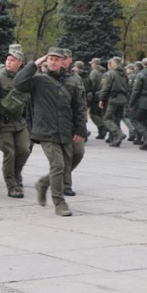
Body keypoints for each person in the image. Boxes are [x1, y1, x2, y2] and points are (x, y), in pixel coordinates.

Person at [14, 48, 86, 217]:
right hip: (46, 131)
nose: (53, 62)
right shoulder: (38, 80)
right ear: (46, 61)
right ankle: (59, 203)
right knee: (58, 165)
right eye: (50, 59)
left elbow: (78, 107)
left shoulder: (71, 81)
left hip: (66, 130)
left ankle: (43, 183)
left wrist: (80, 128)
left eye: (57, 59)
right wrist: (34, 64)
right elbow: (18, 83)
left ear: (63, 62)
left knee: (66, 166)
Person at [0, 46, 31, 198]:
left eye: (12, 60)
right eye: (7, 59)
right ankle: (12, 185)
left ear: (20, 63)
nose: (9, 62)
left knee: (25, 150)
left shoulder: (23, 78)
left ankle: (16, 174)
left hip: (20, 122)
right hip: (3, 123)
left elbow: (27, 101)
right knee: (10, 153)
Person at [60, 48, 86, 195]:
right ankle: (65, 185)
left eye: (65, 58)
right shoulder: (50, 77)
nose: (63, 61)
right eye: (60, 58)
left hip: (75, 122)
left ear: (70, 59)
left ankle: (58, 177)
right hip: (58, 123)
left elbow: (82, 102)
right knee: (65, 155)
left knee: (78, 152)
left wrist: (82, 124)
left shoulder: (76, 78)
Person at [98, 56, 129, 147]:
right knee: (117, 119)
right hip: (123, 98)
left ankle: (118, 134)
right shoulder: (124, 74)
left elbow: (106, 87)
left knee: (106, 118)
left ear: (114, 63)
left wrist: (101, 99)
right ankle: (117, 140)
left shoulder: (111, 73)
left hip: (113, 98)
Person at [89, 58, 108, 139]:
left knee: (93, 114)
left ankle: (102, 127)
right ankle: (101, 133)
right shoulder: (104, 72)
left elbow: (92, 84)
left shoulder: (94, 72)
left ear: (95, 64)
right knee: (100, 114)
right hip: (102, 95)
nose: (91, 65)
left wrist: (90, 93)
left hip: (96, 95)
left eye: (92, 63)